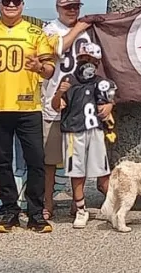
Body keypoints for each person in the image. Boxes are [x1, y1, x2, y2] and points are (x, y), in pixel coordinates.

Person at [0, 0, 56, 233]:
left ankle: (35, 213)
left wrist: (38, 67)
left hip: (28, 105)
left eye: (16, 0)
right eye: (6, 1)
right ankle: (10, 211)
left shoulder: (35, 32)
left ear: (22, 4)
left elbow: (50, 69)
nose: (11, 4)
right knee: (2, 162)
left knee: (36, 161)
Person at [40, 0, 93, 219]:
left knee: (76, 158)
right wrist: (78, 29)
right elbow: (57, 49)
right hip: (53, 100)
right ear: (58, 8)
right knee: (50, 160)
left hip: (78, 105)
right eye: (67, 7)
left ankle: (77, 200)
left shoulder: (87, 32)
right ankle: (48, 201)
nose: (72, 11)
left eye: (75, 7)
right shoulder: (49, 29)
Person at [52, 41, 115, 229]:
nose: (88, 64)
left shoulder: (101, 82)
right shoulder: (69, 80)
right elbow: (56, 105)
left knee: (103, 172)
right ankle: (80, 208)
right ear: (78, 60)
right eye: (84, 59)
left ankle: (113, 204)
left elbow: (108, 101)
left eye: (92, 61)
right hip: (73, 130)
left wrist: (110, 105)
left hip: (94, 130)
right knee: (76, 172)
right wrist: (59, 94)